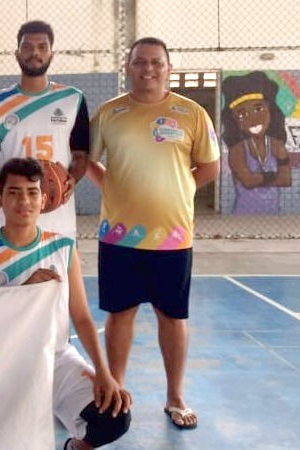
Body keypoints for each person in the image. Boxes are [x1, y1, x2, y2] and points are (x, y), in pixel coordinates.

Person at [88, 37, 220, 430]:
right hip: (119, 237)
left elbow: (210, 167)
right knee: (120, 314)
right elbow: (87, 161)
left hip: (173, 237)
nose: (148, 69)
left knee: (172, 316)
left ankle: (175, 396)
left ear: (169, 69)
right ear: (128, 67)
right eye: (140, 62)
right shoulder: (109, 113)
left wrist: (180, 187)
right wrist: (111, 186)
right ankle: (115, 392)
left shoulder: (192, 113)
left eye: (156, 62)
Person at [0, 158, 131, 450]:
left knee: (114, 415)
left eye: (32, 192)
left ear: (44, 199)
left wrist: (104, 372)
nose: (24, 201)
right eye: (14, 192)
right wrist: (25, 291)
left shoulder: (63, 247)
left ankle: (75, 446)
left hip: (56, 357)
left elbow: (81, 317)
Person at [0, 20, 89, 239]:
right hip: (9, 218)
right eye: (27, 47)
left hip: (59, 220)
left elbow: (81, 156)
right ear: (17, 53)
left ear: (51, 54)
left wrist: (69, 181)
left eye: (42, 47)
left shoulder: (73, 99)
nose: (35, 53)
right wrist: (8, 186)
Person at [221, 71, 292, 214]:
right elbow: (248, 182)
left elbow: (286, 180)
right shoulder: (237, 150)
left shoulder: (277, 145)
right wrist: (273, 176)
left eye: (258, 109)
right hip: (243, 216)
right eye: (242, 113)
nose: (253, 119)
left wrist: (260, 178)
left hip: (274, 215)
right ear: (234, 120)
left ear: (270, 110)